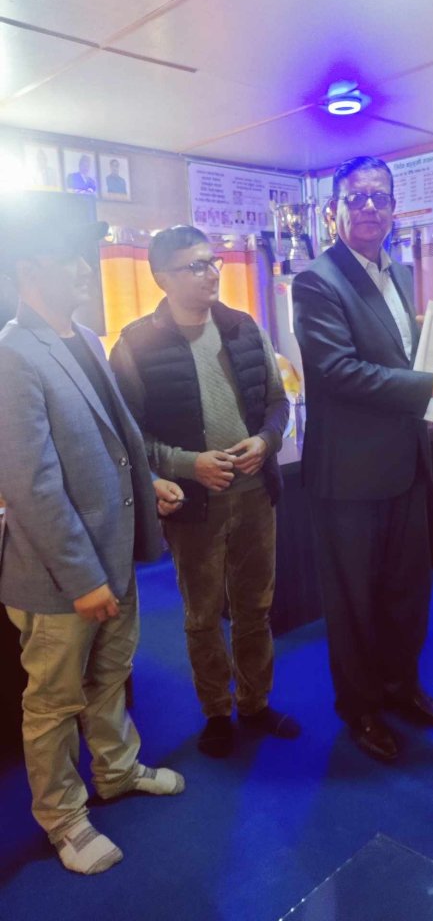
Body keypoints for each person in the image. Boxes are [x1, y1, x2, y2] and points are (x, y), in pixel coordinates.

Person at [0, 208, 186, 875]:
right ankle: (63, 819)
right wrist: (83, 579)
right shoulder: (12, 354)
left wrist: (149, 481)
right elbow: (32, 486)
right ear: (29, 270)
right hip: (59, 576)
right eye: (68, 258)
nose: (85, 269)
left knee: (110, 675)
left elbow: (108, 440)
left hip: (114, 551)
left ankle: (116, 769)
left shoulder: (80, 335)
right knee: (54, 702)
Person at [292, 156, 433, 762]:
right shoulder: (317, 281)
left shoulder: (399, 274)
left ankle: (403, 688)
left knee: (407, 592)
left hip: (404, 464)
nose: (369, 207)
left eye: (380, 197)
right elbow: (340, 371)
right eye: (357, 198)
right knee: (354, 603)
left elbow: (401, 355)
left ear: (395, 209)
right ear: (335, 211)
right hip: (348, 474)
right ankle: (362, 710)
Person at [110, 225, 298, 758]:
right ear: (161, 278)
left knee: (255, 607)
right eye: (194, 266)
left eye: (212, 261)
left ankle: (255, 703)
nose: (210, 273)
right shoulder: (135, 345)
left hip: (255, 492)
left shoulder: (243, 327)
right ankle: (216, 710)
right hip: (193, 504)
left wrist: (266, 441)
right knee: (202, 615)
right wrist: (188, 464)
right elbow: (127, 436)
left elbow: (278, 403)